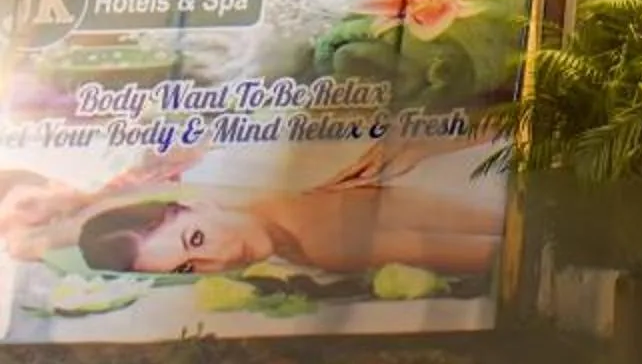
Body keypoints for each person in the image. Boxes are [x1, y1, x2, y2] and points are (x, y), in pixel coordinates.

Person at [72, 137, 504, 280]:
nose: (219, 259)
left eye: (196, 239)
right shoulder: (271, 186)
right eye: (189, 267)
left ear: (195, 205)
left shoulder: (319, 245)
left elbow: (507, 252)